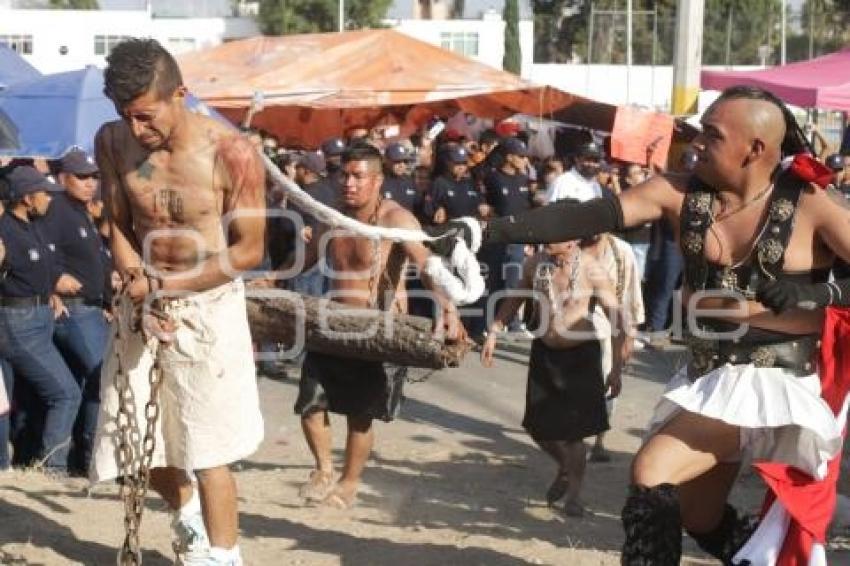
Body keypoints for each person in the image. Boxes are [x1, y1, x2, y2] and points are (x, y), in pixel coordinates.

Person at [430, 85, 850, 564]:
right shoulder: (676, 193)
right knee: (699, 517)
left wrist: (818, 293)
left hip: (775, 385)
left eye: (711, 135)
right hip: (708, 378)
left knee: (653, 470)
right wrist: (485, 230)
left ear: (755, 149)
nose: (695, 145)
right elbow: (589, 215)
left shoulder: (812, 203)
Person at [91, 38, 265, 565]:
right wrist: (135, 278)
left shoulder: (232, 151)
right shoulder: (112, 142)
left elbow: (249, 250)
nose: (138, 130)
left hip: (208, 308)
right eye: (127, 116)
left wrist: (166, 288)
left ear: (180, 94)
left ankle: (224, 557)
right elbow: (117, 222)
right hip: (140, 299)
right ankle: (185, 514)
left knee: (208, 450)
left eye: (146, 116)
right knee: (133, 436)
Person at [291, 143, 464, 510]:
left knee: (361, 413)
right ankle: (323, 469)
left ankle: (349, 483)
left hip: (379, 327)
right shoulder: (331, 216)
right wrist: (274, 277)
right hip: (333, 322)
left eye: (358, 176)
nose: (349, 183)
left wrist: (447, 308)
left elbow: (427, 265)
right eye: (344, 175)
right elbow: (306, 258)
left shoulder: (396, 219)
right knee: (310, 403)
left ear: (377, 181)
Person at [481, 228, 627, 518]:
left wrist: (617, 369)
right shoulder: (535, 264)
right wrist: (494, 331)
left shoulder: (591, 268)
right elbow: (515, 299)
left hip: (581, 356)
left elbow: (616, 318)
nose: (548, 237)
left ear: (572, 238)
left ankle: (574, 495)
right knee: (537, 426)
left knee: (574, 434)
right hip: (545, 352)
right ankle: (564, 466)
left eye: (555, 230)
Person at [0, 166, 81, 475]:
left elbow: (37, 271)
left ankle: (29, 458)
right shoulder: (5, 230)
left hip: (38, 316)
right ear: (26, 198)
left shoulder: (32, 226)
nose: (50, 198)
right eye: (44, 193)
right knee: (66, 393)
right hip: (18, 321)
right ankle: (52, 467)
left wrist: (50, 293)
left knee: (34, 397)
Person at [37, 149, 111, 476]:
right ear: (63, 178)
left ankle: (80, 458)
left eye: (93, 176)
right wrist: (52, 282)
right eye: (82, 177)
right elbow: (35, 248)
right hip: (75, 311)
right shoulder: (56, 210)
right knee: (99, 380)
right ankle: (87, 459)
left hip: (93, 308)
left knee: (86, 385)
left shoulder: (80, 210)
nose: (90, 183)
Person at [380, 142, 419, 213]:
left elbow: (419, 206)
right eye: (397, 161)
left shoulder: (409, 181)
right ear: (387, 160)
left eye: (405, 161)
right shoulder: (379, 181)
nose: (402, 165)